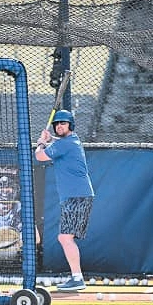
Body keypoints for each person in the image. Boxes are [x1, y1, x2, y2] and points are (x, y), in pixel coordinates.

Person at [35, 110, 94, 292]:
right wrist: (51, 139)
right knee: (65, 237)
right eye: (57, 124)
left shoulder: (67, 144)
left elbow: (40, 157)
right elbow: (59, 144)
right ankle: (77, 277)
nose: (60, 126)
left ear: (70, 125)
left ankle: (77, 278)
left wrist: (41, 143)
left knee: (65, 237)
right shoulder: (70, 142)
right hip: (75, 196)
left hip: (76, 196)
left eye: (63, 123)